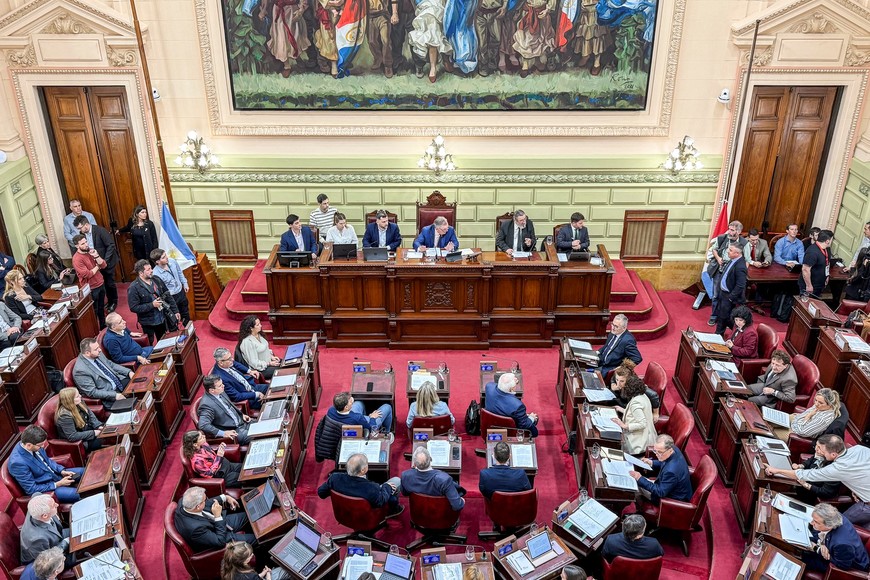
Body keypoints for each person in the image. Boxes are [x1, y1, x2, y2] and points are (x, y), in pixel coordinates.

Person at [763, 436, 870, 530]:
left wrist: (777, 470)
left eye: (820, 449)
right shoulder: (859, 449)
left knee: (839, 524)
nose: (816, 450)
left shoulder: (837, 468)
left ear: (833, 454)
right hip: (864, 497)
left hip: (867, 504)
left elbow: (802, 475)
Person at [8, 425, 84, 503]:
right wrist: (58, 484)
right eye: (40, 445)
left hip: (58, 475)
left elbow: (48, 461)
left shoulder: (31, 443)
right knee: (79, 494)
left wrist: (61, 471)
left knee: (84, 472)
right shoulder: (17, 463)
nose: (43, 446)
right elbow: (32, 489)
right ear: (29, 445)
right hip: (50, 488)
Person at [173, 486, 256, 553]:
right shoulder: (195, 529)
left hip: (216, 523)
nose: (207, 500)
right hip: (218, 535)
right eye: (205, 500)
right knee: (255, 539)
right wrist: (218, 516)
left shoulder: (185, 502)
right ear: (198, 506)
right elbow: (220, 541)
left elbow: (206, 503)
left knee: (250, 514)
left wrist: (225, 497)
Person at [316, 452, 403, 513]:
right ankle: (394, 509)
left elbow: (321, 493)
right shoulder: (372, 488)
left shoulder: (334, 478)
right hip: (367, 515)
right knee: (396, 481)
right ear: (363, 470)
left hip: (345, 512)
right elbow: (380, 502)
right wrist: (387, 486)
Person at [802, 503, 869, 574]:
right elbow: (815, 529)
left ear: (829, 526)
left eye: (816, 522)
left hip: (842, 566)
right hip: (835, 549)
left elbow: (842, 565)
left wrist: (817, 549)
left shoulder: (842, 544)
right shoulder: (833, 515)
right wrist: (821, 543)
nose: (812, 522)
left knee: (802, 557)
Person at [702, 220, 746, 326]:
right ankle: (714, 316)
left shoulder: (744, 243)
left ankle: (728, 319)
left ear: (739, 231)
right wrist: (718, 259)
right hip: (720, 271)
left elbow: (747, 259)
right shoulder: (722, 238)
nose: (729, 232)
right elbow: (714, 249)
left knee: (730, 297)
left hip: (733, 274)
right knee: (716, 295)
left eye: (732, 230)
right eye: (729, 229)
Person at [629, 434, 693, 504]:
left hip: (671, 499)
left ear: (670, 450)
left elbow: (660, 492)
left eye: (660, 452)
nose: (656, 455)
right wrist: (651, 462)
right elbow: (665, 462)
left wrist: (639, 478)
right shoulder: (674, 450)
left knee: (634, 484)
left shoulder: (671, 471)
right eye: (655, 451)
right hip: (668, 486)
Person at [72, 337, 132, 411]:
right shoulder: (80, 371)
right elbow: (92, 392)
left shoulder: (97, 353)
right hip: (109, 394)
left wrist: (129, 372)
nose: (100, 350)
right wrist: (114, 395)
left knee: (143, 385)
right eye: (96, 349)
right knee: (134, 407)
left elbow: (110, 364)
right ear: (87, 353)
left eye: (98, 347)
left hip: (119, 382)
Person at [73, 215, 118, 313]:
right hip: (93, 263)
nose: (79, 230)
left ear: (86, 225)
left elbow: (111, 245)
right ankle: (107, 301)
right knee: (103, 283)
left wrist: (103, 261)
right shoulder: (82, 235)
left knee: (110, 283)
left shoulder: (100, 231)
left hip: (106, 261)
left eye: (80, 228)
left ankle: (113, 302)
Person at [127, 259, 179, 343]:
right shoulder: (133, 288)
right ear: (141, 273)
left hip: (162, 318)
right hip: (148, 322)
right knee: (149, 343)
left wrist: (175, 310)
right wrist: (152, 305)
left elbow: (168, 295)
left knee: (163, 341)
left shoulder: (156, 279)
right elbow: (133, 307)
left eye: (151, 268)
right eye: (148, 270)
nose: (151, 271)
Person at [401, 446, 465, 510]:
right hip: (441, 515)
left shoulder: (405, 475)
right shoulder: (444, 480)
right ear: (431, 459)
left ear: (414, 464)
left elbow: (405, 493)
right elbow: (457, 506)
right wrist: (462, 501)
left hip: (418, 514)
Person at [197, 374, 252, 445]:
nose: (223, 386)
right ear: (212, 390)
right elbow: (203, 425)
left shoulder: (220, 391)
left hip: (243, 422)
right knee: (259, 435)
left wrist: (241, 415)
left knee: (264, 426)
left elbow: (229, 406)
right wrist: (223, 433)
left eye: (222, 383)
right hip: (234, 431)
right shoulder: (206, 405)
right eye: (220, 385)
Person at [772, 388, 842, 442]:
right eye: (816, 400)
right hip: (797, 422)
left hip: (796, 432)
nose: (816, 404)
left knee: (770, 432)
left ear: (830, 404)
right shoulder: (819, 405)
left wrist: (807, 416)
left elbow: (803, 432)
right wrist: (798, 419)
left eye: (820, 402)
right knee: (767, 420)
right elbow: (802, 415)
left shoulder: (824, 419)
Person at [20, 494, 72, 567]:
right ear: (45, 516)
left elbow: (36, 494)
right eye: (54, 506)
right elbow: (47, 559)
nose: (57, 505)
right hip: (49, 560)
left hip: (57, 536)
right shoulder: (37, 539)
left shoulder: (36, 504)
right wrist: (66, 542)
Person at [611, 375, 656, 455]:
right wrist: (621, 409)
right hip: (648, 436)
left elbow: (642, 424)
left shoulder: (636, 402)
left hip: (639, 442)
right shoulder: (643, 396)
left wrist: (624, 426)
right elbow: (637, 414)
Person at [408, 0, 451, 83]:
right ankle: (433, 67)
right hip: (425, 6)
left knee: (440, 32)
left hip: (439, 5)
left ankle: (445, 60)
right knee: (432, 33)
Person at [792, 435, 844, 503]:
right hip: (802, 485)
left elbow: (825, 492)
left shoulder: (835, 470)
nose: (816, 449)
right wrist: (800, 466)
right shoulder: (822, 454)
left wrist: (805, 484)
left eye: (819, 448)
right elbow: (811, 460)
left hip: (811, 497)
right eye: (816, 445)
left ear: (832, 454)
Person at [484, 372, 538, 437]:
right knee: (535, 419)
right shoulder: (518, 406)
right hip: (509, 430)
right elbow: (523, 425)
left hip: (490, 425)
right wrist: (531, 418)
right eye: (515, 385)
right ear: (512, 389)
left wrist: (509, 382)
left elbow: (496, 385)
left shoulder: (489, 387)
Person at [70, 234, 107, 328]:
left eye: (86, 242)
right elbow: (87, 274)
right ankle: (95, 330)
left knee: (101, 308)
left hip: (100, 283)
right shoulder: (76, 259)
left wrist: (97, 256)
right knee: (94, 310)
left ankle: (103, 326)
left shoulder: (90, 251)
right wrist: (97, 267)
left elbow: (104, 265)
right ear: (77, 246)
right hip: (91, 288)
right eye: (83, 243)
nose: (86, 244)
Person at [54, 387, 103, 453]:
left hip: (87, 429)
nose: (80, 396)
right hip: (81, 440)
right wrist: (93, 433)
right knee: (104, 440)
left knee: (110, 431)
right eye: (77, 396)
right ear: (70, 400)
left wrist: (98, 425)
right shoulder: (64, 415)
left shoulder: (79, 402)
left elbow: (90, 415)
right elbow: (72, 436)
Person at [151, 248, 191, 325]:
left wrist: (185, 283)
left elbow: (180, 272)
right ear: (157, 261)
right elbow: (161, 291)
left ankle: (190, 333)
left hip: (180, 292)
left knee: (186, 314)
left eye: (165, 255)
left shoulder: (172, 261)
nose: (166, 258)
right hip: (171, 297)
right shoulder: (156, 274)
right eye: (163, 257)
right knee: (174, 319)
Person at [715, 243, 747, 335]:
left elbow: (740, 285)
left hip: (729, 295)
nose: (728, 252)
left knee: (724, 316)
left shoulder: (740, 266)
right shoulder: (733, 259)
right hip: (723, 292)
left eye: (730, 250)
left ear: (737, 253)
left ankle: (719, 335)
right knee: (721, 314)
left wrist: (730, 297)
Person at [237, 316, 280, 381]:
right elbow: (254, 363)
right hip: (260, 369)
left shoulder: (259, 334)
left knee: (288, 362)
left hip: (268, 361)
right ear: (251, 328)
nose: (261, 325)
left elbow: (265, 349)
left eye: (260, 323)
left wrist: (271, 357)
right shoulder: (247, 342)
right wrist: (269, 363)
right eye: (258, 325)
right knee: (283, 369)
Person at [327, 391, 394, 433]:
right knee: (387, 407)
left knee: (359, 403)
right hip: (364, 424)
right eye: (350, 402)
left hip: (347, 420)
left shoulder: (331, 411)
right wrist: (372, 417)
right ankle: (386, 432)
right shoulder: (358, 418)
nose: (352, 401)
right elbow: (371, 430)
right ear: (346, 407)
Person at [800, 229, 834, 298]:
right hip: (811, 285)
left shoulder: (827, 249)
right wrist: (809, 285)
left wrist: (826, 276)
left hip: (819, 284)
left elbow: (827, 262)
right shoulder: (812, 252)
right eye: (831, 240)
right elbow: (805, 270)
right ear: (827, 241)